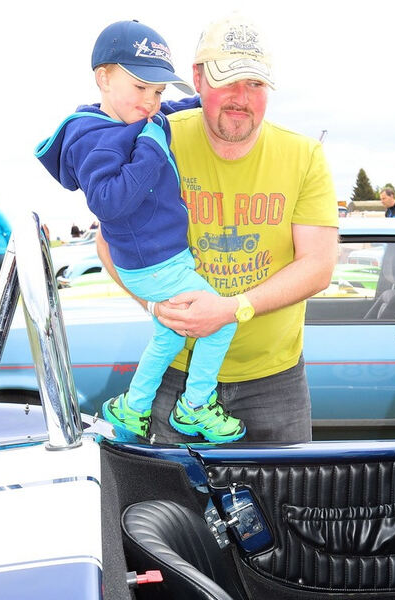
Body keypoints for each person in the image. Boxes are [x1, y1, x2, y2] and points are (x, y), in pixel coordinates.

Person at [97, 13, 339, 444]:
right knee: (172, 510)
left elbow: (318, 265)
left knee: (286, 507)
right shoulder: (156, 140)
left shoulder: (304, 155)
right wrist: (154, 307)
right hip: (176, 373)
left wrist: (231, 308)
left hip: (274, 381)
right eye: (227, 80)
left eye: (255, 84)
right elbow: (108, 243)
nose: (240, 98)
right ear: (197, 78)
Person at [35, 20, 246, 444]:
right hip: (154, 263)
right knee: (221, 321)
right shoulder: (90, 137)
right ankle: (194, 407)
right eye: (140, 87)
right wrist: (153, 146)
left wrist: (203, 98)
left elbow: (160, 116)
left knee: (168, 336)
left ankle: (133, 408)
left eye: (159, 91)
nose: (151, 101)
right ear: (103, 78)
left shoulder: (130, 117)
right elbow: (109, 201)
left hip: (157, 258)